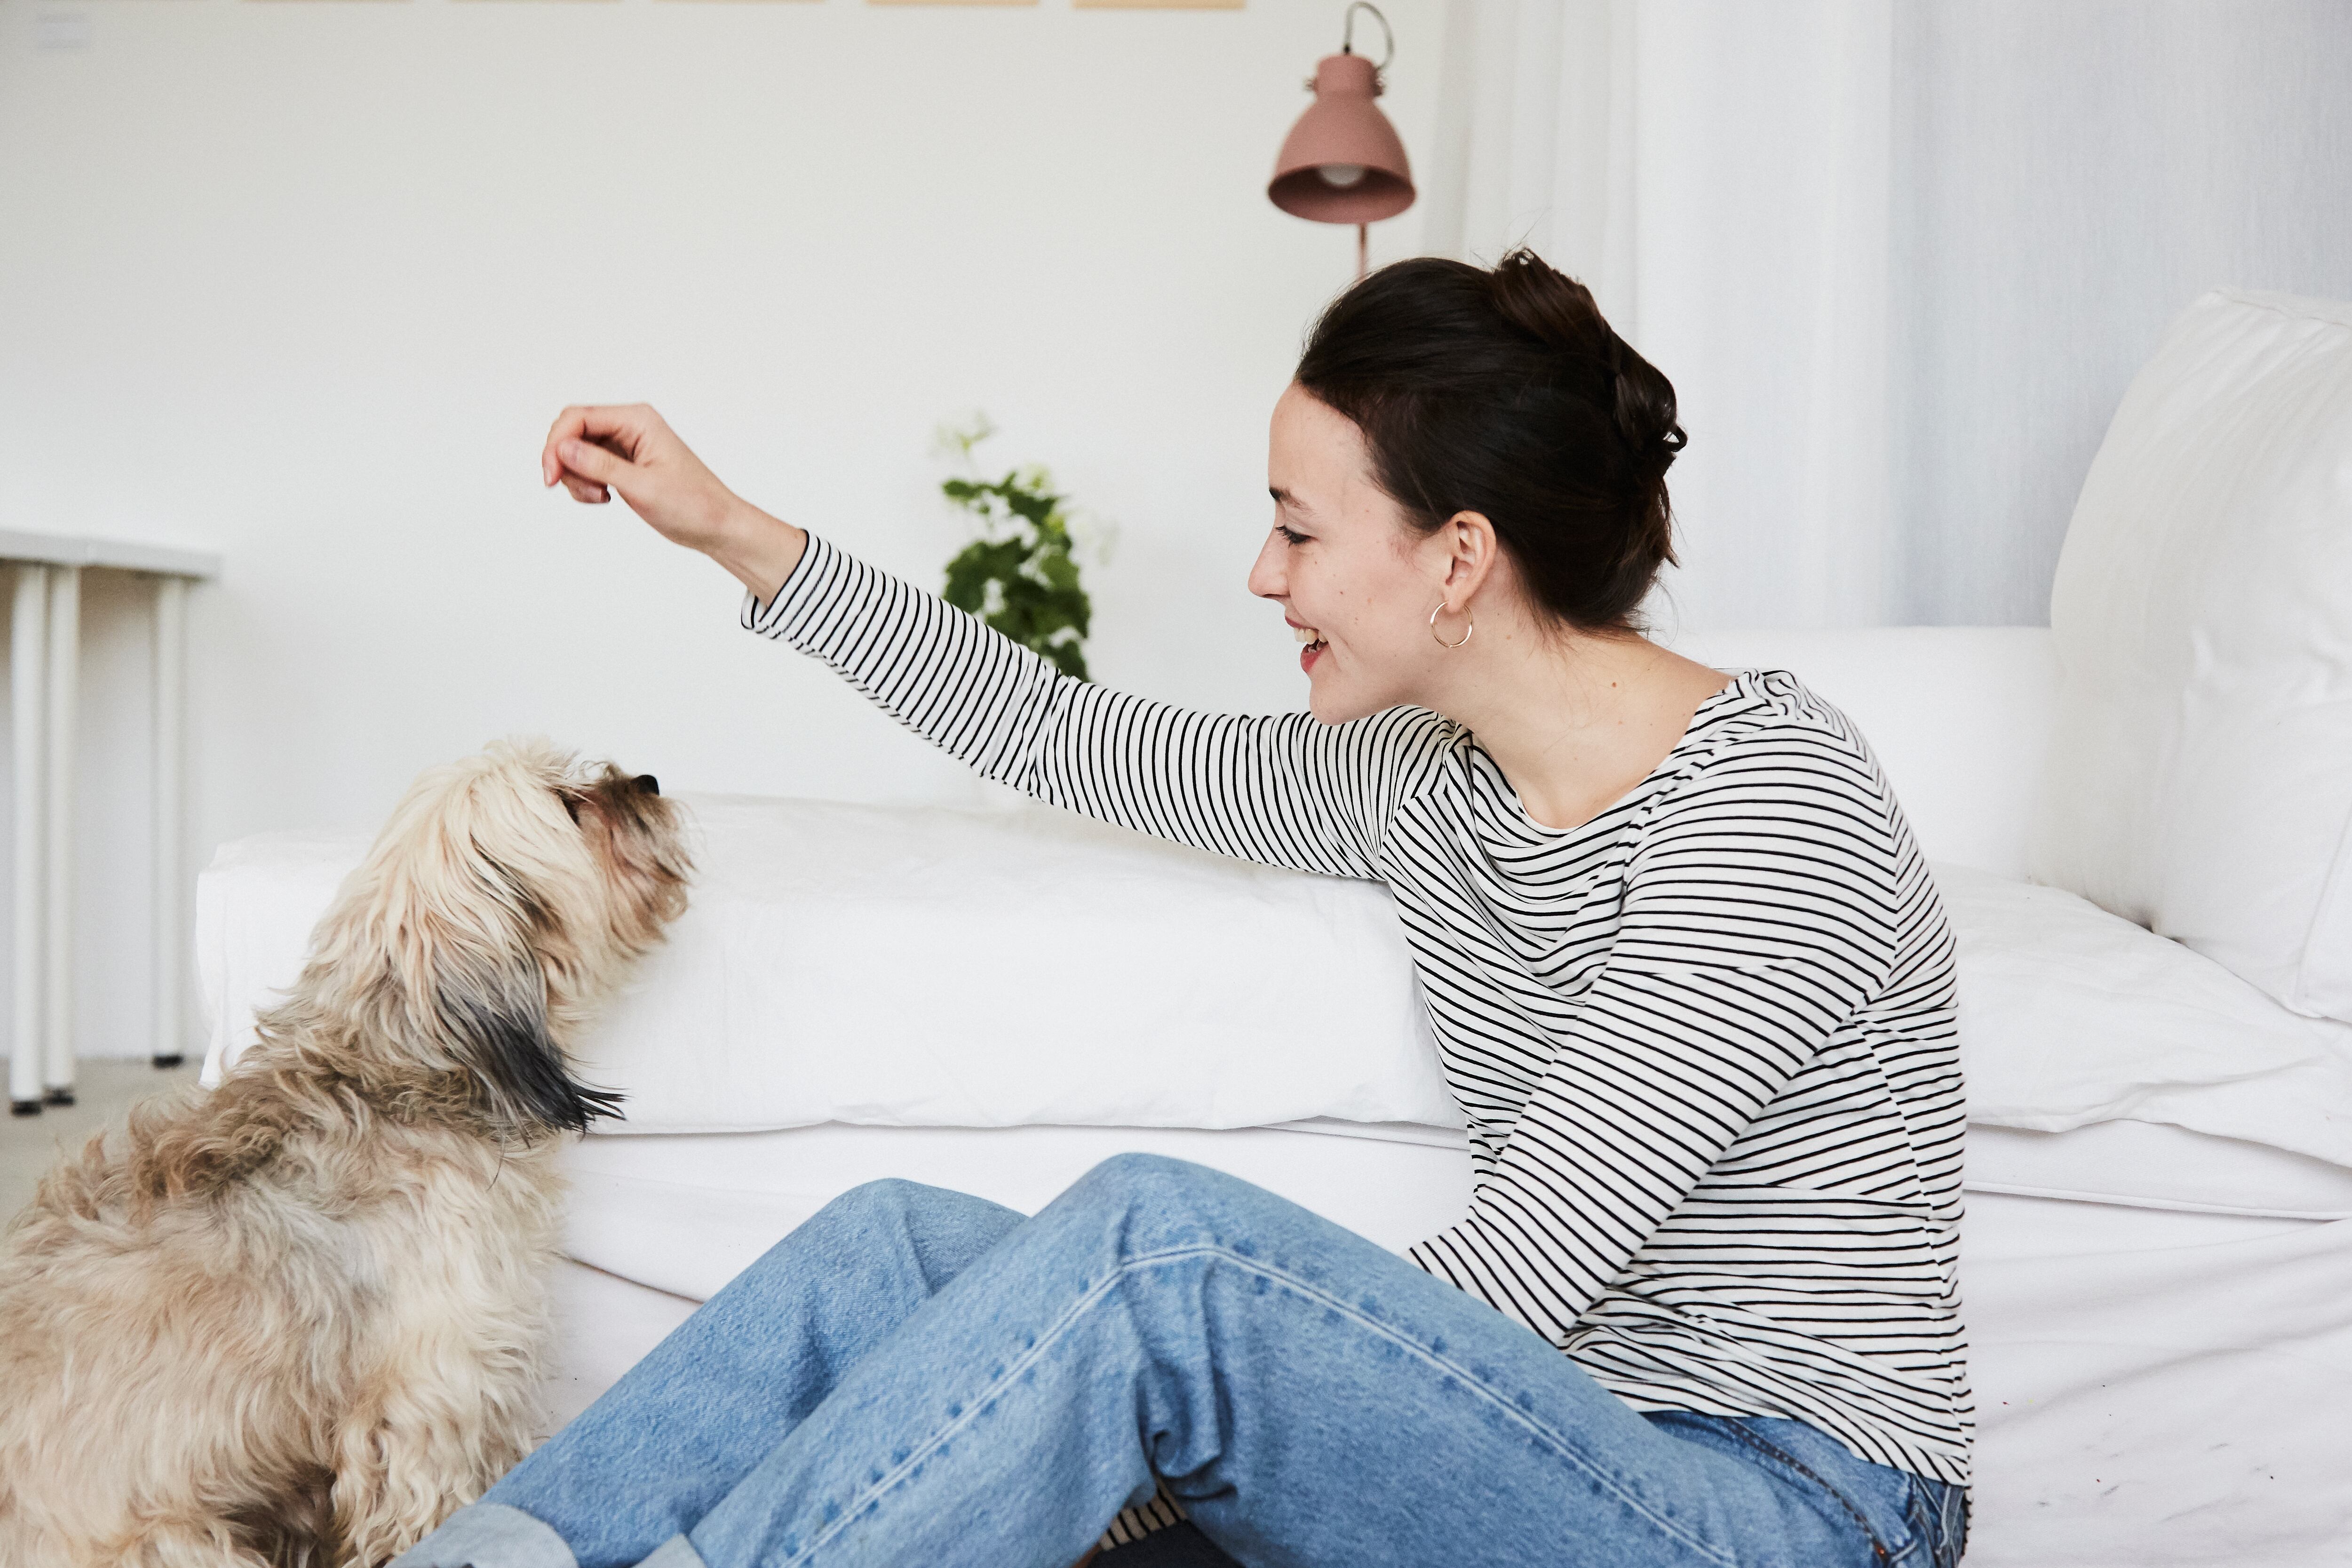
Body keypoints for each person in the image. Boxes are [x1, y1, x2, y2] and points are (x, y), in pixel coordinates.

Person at [395, 250, 1969, 1568]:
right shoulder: (1431, 780)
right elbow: (1066, 737)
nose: (1260, 574)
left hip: (1792, 1507)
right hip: (1557, 1451)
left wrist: (1082, 1430)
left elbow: (1527, 1274)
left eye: (1298, 526)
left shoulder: (1769, 805)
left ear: (1459, 560)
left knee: (1158, 1262)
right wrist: (736, 530)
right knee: (891, 1258)